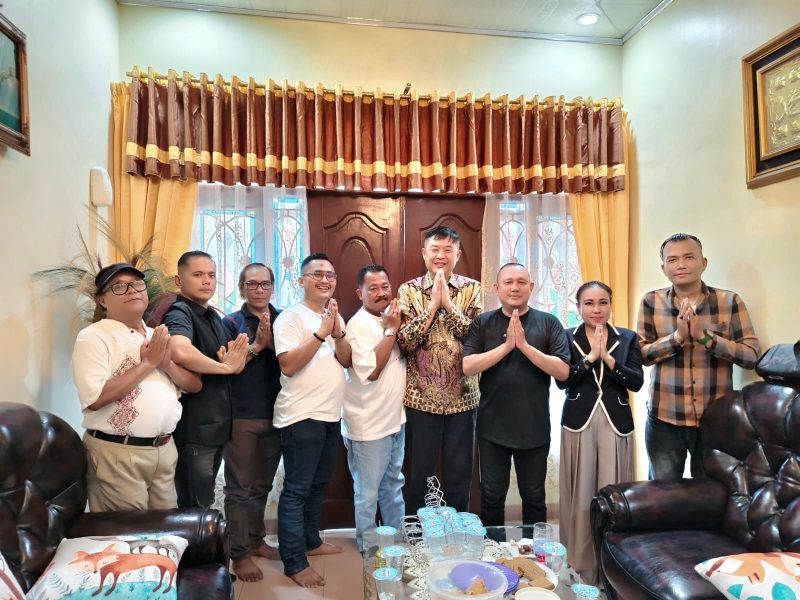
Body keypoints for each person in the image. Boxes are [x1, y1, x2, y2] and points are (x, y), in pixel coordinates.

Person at [72, 263, 201, 512]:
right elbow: (96, 398)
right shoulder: (94, 336)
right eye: (119, 287)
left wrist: (166, 364)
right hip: (119, 451)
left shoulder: (157, 334)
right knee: (127, 531)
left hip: (164, 449)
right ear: (102, 300)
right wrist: (148, 363)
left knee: (165, 529)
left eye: (137, 284)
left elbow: (194, 384)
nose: (132, 290)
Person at [637, 233, 760, 480]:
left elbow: (751, 356)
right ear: (663, 268)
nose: (681, 265)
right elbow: (642, 355)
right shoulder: (651, 302)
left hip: (715, 419)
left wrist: (706, 338)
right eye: (672, 260)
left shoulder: (729, 301)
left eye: (689, 257)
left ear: (703, 263)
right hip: (664, 418)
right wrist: (677, 338)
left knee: (712, 492)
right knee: (662, 494)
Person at [463, 263, 570, 527]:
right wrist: (506, 346)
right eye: (508, 282)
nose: (515, 287)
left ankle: (533, 551)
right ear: (496, 288)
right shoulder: (483, 323)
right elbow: (468, 366)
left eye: (521, 282)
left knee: (534, 497)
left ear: (531, 287)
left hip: (534, 427)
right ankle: (494, 550)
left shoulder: (548, 322)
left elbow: (563, 371)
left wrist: (523, 346)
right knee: (491, 498)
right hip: (492, 428)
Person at [272, 253, 352, 588]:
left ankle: (311, 541)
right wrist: (321, 333)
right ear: (301, 280)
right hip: (300, 416)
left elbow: (346, 361)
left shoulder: (334, 315)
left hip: (330, 415)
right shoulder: (290, 318)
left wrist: (338, 333)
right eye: (317, 274)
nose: (324, 280)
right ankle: (294, 562)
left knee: (318, 485)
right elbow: (288, 365)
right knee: (297, 490)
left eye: (330, 275)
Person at [557, 281, 644, 585]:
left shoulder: (628, 337)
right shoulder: (567, 336)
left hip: (616, 420)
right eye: (589, 303)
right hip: (578, 420)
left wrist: (607, 357)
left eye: (603, 302)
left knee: (613, 492)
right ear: (578, 307)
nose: (596, 309)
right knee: (580, 493)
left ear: (610, 305)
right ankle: (580, 565)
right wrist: (590, 358)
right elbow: (563, 381)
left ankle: (612, 567)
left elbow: (635, 382)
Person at [397, 226, 482, 513]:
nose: (441, 255)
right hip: (421, 398)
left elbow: (476, 338)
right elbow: (405, 341)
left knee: (460, 473)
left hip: (464, 397)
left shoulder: (472, 289)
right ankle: (417, 530)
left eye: (448, 250)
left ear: (458, 255)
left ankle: (457, 531)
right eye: (435, 249)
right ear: (424, 253)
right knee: (419, 473)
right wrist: (433, 307)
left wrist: (448, 304)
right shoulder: (408, 290)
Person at [162, 251, 249, 508]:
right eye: (198, 275)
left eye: (211, 275)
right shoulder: (179, 312)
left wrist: (234, 361)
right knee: (195, 508)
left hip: (217, 427)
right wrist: (224, 368)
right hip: (195, 429)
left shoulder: (212, 316)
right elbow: (179, 350)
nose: (207, 281)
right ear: (179, 280)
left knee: (206, 502)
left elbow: (229, 361)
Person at [221, 263, 282, 581]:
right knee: (239, 489)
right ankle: (239, 554)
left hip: (278, 415)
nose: (259, 290)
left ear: (273, 286)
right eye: (252, 284)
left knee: (262, 486)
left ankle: (257, 541)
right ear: (242, 287)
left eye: (265, 284)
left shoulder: (284, 319)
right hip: (241, 416)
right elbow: (227, 366)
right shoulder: (231, 322)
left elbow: (293, 361)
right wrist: (257, 345)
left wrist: (273, 342)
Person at [343, 265, 406, 551]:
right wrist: (391, 330)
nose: (381, 293)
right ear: (360, 293)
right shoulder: (358, 325)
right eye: (373, 288)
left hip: (394, 421)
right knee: (367, 494)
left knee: (393, 486)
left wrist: (392, 325)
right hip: (368, 427)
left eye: (385, 286)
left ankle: (397, 544)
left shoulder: (391, 317)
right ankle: (368, 548)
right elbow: (372, 372)